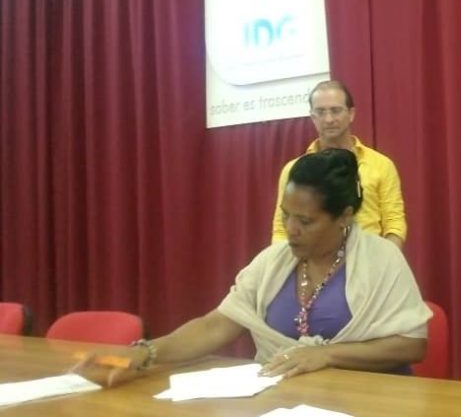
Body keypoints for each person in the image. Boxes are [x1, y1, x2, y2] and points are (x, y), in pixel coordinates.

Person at [77, 149, 431, 386]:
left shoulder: (382, 259)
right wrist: (144, 353)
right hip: (285, 404)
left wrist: (326, 355)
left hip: (372, 402)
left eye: (306, 221)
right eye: (286, 215)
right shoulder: (272, 262)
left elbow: (410, 346)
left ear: (344, 217)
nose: (291, 229)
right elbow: (214, 326)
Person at [271, 80, 407, 249]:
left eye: (336, 110)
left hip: (369, 258)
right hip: (311, 260)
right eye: (320, 112)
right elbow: (281, 230)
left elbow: (394, 224)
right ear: (313, 117)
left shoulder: (381, 165)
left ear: (351, 114)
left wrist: (385, 260)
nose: (329, 119)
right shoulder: (293, 170)